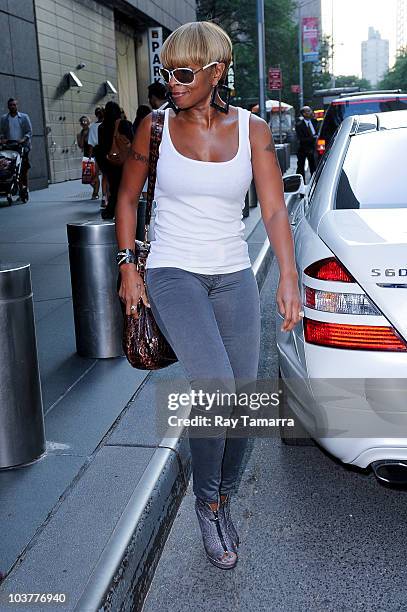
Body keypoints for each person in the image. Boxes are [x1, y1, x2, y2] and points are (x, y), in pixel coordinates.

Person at [115, 21, 302, 570]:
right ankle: (207, 503)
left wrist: (287, 277)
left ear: (216, 72)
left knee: (245, 402)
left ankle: (221, 492)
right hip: (174, 272)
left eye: (183, 73)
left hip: (232, 273)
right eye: (165, 72)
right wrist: (129, 269)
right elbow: (126, 201)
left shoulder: (253, 131)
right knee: (217, 388)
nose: (171, 82)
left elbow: (272, 210)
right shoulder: (153, 128)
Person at [95, 101, 133, 220]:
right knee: (124, 187)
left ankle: (111, 210)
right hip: (123, 161)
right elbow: (132, 140)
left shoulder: (101, 127)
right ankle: (116, 210)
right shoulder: (124, 124)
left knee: (114, 186)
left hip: (109, 161)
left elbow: (101, 145)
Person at [0, 98, 32, 196]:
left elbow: (29, 131)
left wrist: (23, 139)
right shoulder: (4, 119)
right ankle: (9, 187)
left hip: (21, 146)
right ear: (8, 106)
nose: (13, 106)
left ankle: (25, 189)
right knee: (9, 168)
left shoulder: (24, 117)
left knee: (23, 169)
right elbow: (1, 132)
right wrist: (2, 139)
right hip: (9, 147)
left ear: (17, 106)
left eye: (14, 105)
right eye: (11, 105)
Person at [88, 106, 108, 208]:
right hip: (106, 150)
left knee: (96, 175)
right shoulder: (109, 124)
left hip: (97, 151)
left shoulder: (92, 127)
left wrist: (89, 157)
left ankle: (99, 195)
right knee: (105, 175)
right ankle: (105, 196)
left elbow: (91, 143)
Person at [77, 115, 99, 200]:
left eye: (86, 121)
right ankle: (95, 190)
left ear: (89, 122)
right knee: (88, 178)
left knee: (95, 176)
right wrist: (83, 136)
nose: (84, 123)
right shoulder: (80, 134)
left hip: (94, 155)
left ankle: (95, 193)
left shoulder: (92, 131)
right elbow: (81, 145)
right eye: (82, 122)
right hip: (86, 156)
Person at [295, 105, 319, 182]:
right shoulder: (299, 125)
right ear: (304, 114)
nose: (310, 112)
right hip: (303, 149)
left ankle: (314, 183)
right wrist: (314, 138)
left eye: (310, 110)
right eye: (308, 111)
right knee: (301, 168)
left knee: (314, 167)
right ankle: (301, 185)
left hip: (314, 148)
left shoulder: (315, 122)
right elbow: (301, 139)